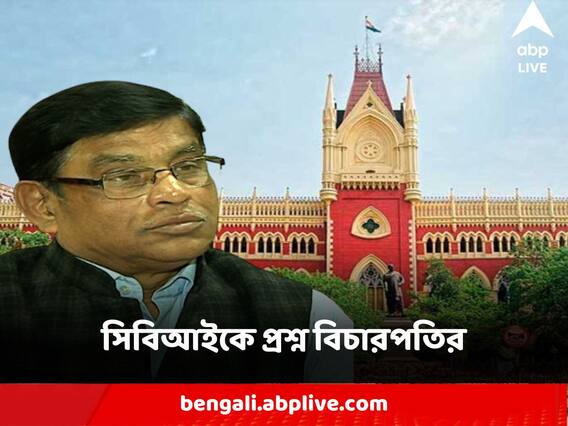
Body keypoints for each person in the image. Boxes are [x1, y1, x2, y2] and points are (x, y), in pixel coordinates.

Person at [0, 81, 352, 383]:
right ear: (42, 205)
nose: (175, 192)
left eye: (188, 166)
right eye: (124, 176)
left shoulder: (310, 320)